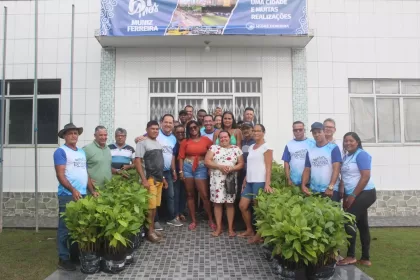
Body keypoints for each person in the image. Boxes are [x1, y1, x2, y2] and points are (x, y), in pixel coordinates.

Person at [54, 123, 98, 271]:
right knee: (65, 227)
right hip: (67, 195)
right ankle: (63, 258)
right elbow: (60, 175)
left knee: (78, 227)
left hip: (83, 194)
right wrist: (72, 189)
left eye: (76, 133)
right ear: (65, 136)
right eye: (71, 133)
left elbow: (86, 174)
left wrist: (92, 191)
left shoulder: (81, 152)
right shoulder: (61, 152)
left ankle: (74, 255)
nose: (74, 135)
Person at [337, 132, 376, 267]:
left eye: (351, 141)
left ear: (357, 142)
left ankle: (351, 256)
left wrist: (353, 195)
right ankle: (365, 258)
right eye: (345, 141)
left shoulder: (361, 155)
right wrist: (345, 192)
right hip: (351, 193)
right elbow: (345, 177)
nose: (348, 143)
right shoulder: (347, 157)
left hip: (365, 193)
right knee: (362, 225)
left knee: (348, 220)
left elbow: (365, 176)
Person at [135, 114, 181, 228]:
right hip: (151, 173)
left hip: (165, 172)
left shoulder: (173, 138)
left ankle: (171, 218)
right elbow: (139, 141)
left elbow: (172, 155)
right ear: (161, 123)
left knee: (169, 196)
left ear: (173, 125)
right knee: (152, 199)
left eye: (170, 123)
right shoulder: (153, 134)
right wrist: (138, 138)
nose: (168, 124)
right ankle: (154, 222)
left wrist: (174, 170)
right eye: (166, 122)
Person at [134, 120, 169, 243]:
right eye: (152, 128)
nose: (155, 131)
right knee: (150, 207)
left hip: (158, 180)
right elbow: (137, 161)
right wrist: (143, 180)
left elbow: (158, 163)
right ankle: (149, 233)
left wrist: (163, 179)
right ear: (147, 129)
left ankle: (152, 229)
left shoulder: (157, 143)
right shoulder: (142, 142)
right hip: (149, 180)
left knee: (154, 207)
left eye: (157, 129)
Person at [205, 131, 244, 237]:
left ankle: (231, 228)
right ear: (218, 139)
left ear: (229, 137)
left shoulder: (236, 149)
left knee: (230, 204)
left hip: (231, 180)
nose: (223, 139)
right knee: (217, 204)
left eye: (225, 137)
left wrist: (232, 168)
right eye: (221, 137)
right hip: (216, 181)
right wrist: (219, 167)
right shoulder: (213, 148)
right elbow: (207, 161)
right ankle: (218, 228)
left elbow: (241, 164)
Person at [238, 124, 273, 243]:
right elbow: (250, 165)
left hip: (260, 181)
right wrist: (245, 179)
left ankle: (259, 236)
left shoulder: (267, 147)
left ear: (264, 132)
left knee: (258, 210)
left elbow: (269, 167)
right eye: (254, 131)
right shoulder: (252, 146)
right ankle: (249, 230)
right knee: (242, 206)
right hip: (249, 181)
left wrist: (267, 184)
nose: (256, 133)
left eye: (258, 131)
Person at [178, 120, 215, 231]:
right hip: (187, 167)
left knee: (204, 195)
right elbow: (180, 157)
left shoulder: (206, 140)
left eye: (195, 127)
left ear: (199, 127)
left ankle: (211, 219)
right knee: (190, 194)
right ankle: (194, 220)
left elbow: (213, 152)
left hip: (201, 167)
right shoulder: (185, 141)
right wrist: (181, 171)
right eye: (190, 128)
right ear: (188, 130)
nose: (193, 129)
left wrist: (211, 167)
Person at [301, 122, 342, 202]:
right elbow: (307, 169)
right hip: (314, 191)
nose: (317, 135)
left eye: (319, 132)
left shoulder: (333, 148)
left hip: (331, 191)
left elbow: (336, 169)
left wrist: (331, 186)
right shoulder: (310, 150)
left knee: (332, 214)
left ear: (324, 132)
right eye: (314, 133)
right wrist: (303, 185)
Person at [282, 121, 315, 186]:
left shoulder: (312, 143)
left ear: (304, 130)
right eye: (295, 130)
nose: (298, 132)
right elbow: (286, 163)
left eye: (300, 129)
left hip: (310, 182)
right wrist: (288, 179)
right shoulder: (289, 144)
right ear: (293, 131)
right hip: (294, 182)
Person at [172, 125, 187, 222]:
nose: (180, 134)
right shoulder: (173, 142)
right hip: (176, 171)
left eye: (182, 132)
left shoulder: (186, 142)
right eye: (178, 132)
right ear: (174, 133)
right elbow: (173, 158)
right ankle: (176, 213)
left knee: (184, 193)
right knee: (176, 193)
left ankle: (181, 212)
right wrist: (174, 171)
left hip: (186, 171)